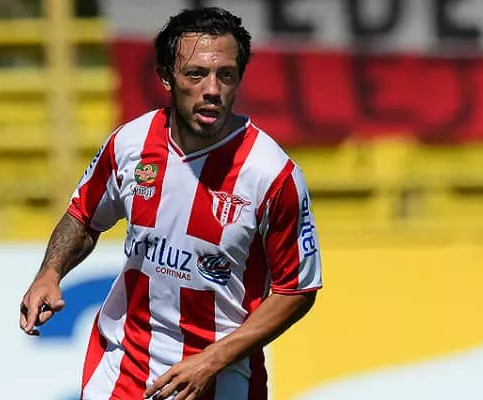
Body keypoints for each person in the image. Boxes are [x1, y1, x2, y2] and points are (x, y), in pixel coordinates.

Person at [19, 7, 322, 400]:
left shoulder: (272, 174)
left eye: (225, 75)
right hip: (125, 370)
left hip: (224, 380)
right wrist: (50, 272)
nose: (212, 89)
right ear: (166, 77)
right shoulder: (130, 144)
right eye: (195, 74)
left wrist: (211, 360)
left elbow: (296, 289)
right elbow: (83, 216)